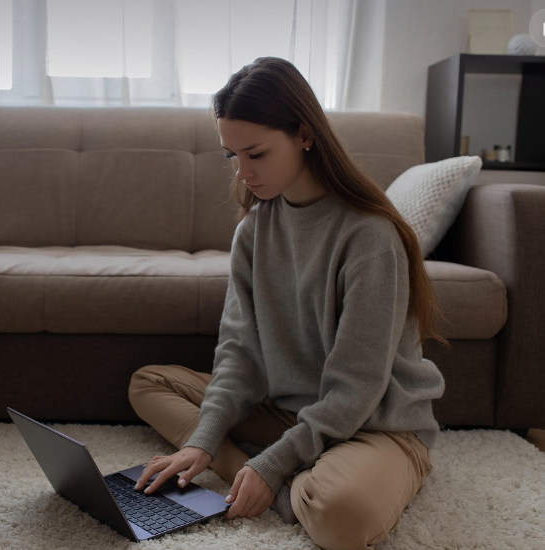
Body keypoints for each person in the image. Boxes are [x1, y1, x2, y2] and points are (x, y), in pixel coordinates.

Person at [128, 57, 446, 550]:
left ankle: (255, 473)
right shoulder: (253, 232)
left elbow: (356, 388)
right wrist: (201, 441)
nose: (243, 172)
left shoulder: (369, 237)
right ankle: (240, 467)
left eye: (255, 153)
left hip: (376, 425)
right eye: (230, 155)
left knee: (342, 517)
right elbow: (240, 355)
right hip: (287, 410)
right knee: (148, 383)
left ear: (304, 135)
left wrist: (271, 464)